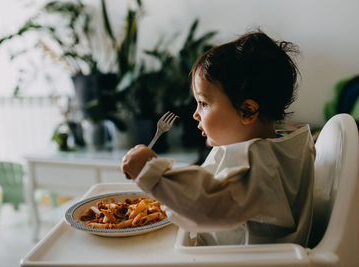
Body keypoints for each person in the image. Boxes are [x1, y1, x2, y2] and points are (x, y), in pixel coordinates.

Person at [121, 30, 315, 246]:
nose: (195, 114)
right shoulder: (280, 147)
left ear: (247, 111)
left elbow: (207, 207)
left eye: (203, 103)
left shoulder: (258, 165)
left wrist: (152, 172)